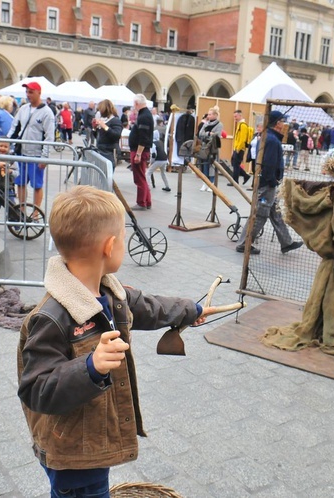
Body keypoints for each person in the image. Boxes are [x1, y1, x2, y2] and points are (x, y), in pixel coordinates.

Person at [17, 186, 213, 498]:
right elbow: (35, 390)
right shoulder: (52, 317)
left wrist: (191, 310)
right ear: (110, 246)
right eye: (122, 237)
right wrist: (90, 367)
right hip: (73, 458)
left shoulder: (110, 292)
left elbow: (147, 306)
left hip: (92, 442)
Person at [235, 111, 303, 256]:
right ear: (277, 123)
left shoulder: (268, 137)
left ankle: (286, 242)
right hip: (267, 184)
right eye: (282, 121)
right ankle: (244, 243)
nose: (284, 124)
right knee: (260, 213)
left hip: (268, 183)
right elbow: (269, 163)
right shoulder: (271, 140)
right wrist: (272, 181)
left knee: (275, 213)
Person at [7, 81, 55, 211]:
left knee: (37, 185)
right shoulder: (23, 109)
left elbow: (49, 136)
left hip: (36, 155)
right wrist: (7, 142)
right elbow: (14, 128)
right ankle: (22, 209)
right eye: (27, 92)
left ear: (39, 93)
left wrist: (44, 157)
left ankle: (35, 211)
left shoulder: (47, 112)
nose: (28, 95)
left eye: (31, 92)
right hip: (21, 153)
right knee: (20, 183)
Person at [128, 93, 154, 209]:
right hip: (141, 150)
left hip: (140, 151)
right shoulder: (145, 115)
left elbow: (143, 137)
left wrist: (138, 153)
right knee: (141, 176)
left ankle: (141, 202)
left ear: (136, 103)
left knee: (139, 177)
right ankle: (147, 201)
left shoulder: (144, 117)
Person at [197, 106, 223, 191]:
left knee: (212, 165)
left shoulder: (219, 124)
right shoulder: (206, 123)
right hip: (205, 147)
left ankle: (211, 184)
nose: (209, 116)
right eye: (208, 114)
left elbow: (216, 135)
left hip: (213, 147)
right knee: (205, 164)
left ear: (215, 115)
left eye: (210, 114)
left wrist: (209, 135)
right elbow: (200, 133)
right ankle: (205, 182)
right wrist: (208, 133)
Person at [93, 99, 122, 169]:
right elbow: (98, 136)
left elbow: (117, 135)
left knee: (107, 175)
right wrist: (94, 128)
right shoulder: (104, 120)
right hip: (101, 150)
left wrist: (105, 127)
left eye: (100, 110)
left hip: (110, 152)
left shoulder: (115, 120)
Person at [230, 109, 252, 185]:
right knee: (234, 163)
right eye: (234, 116)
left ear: (240, 115)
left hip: (239, 148)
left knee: (235, 164)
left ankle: (235, 181)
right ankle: (245, 176)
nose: (235, 118)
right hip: (237, 147)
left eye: (236, 116)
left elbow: (242, 139)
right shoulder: (240, 124)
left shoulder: (243, 125)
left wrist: (238, 149)